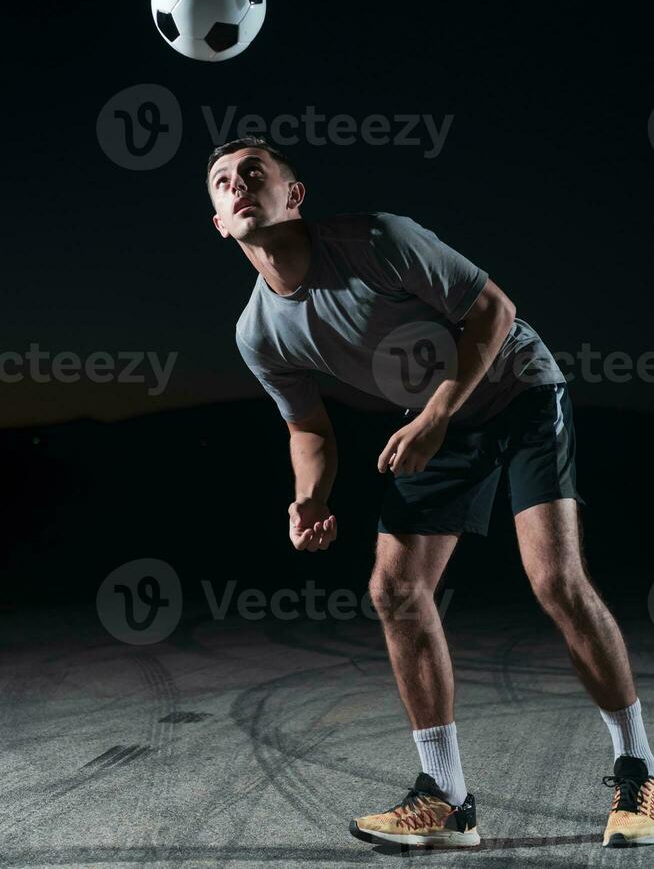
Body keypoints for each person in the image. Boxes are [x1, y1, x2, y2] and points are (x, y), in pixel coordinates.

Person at [208, 135, 654, 849]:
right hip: (437, 423)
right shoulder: (257, 333)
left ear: (293, 196)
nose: (237, 185)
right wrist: (311, 497)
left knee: (557, 580)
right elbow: (309, 429)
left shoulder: (377, 240)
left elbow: (496, 311)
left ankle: (642, 773)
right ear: (220, 224)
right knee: (394, 589)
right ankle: (447, 800)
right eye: (223, 181)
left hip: (518, 389)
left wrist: (437, 414)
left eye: (254, 172)